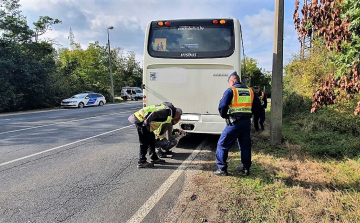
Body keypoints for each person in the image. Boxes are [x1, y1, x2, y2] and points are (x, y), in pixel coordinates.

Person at [214, 71, 261, 176]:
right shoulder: (250, 91)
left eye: (229, 82)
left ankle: (222, 169)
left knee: (222, 144)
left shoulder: (231, 90)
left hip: (234, 123)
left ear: (232, 80)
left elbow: (222, 106)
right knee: (245, 146)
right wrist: (249, 114)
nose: (229, 84)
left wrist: (225, 115)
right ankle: (245, 169)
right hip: (246, 123)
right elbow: (258, 106)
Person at [128, 102, 182, 168]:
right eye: (179, 116)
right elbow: (155, 114)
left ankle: (154, 158)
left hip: (145, 122)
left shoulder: (169, 112)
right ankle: (141, 162)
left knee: (151, 139)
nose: (178, 118)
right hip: (141, 120)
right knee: (144, 142)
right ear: (176, 113)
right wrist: (146, 122)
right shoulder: (166, 112)